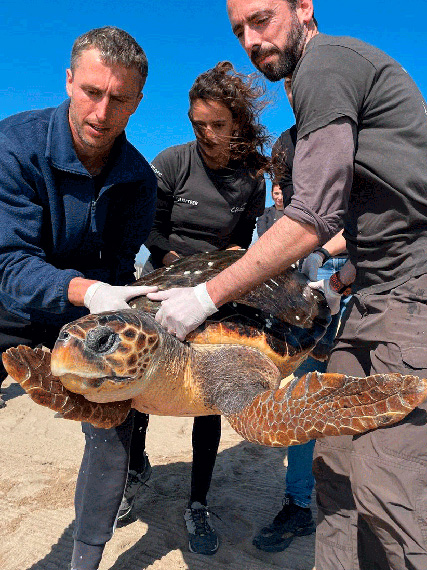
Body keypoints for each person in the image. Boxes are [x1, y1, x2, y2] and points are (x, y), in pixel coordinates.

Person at [147, 1, 427, 568]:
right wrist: (346, 273)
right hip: (370, 292)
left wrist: (205, 296)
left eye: (262, 19)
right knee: (336, 473)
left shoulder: (326, 63)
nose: (250, 39)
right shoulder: (304, 111)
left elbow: (313, 217)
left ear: (304, 7)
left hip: (411, 296)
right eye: (239, 30)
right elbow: (378, 210)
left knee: (390, 492)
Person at [0, 26, 158, 570]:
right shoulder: (14, 145)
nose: (101, 112)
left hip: (93, 311)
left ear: (138, 101)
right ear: (69, 81)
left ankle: (84, 560)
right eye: (92, 91)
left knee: (114, 418)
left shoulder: (140, 179)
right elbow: (9, 265)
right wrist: (89, 290)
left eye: (119, 99)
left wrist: (113, 297)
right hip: (12, 303)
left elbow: (120, 266)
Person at [118, 60, 268, 557]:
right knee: (137, 383)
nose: (206, 134)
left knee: (211, 393)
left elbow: (243, 248)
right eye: (198, 124)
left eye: (217, 125)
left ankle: (197, 502)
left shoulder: (251, 177)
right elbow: (145, 226)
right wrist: (170, 258)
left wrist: (213, 281)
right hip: (159, 283)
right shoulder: (174, 161)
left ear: (237, 123)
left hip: (213, 295)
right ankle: (133, 467)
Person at [253, 96, 350, 552]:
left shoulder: (347, 148)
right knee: (306, 406)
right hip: (304, 296)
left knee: (363, 409)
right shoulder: (288, 148)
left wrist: (326, 258)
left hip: (356, 289)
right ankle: (299, 505)